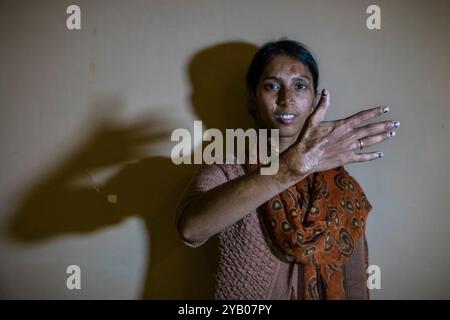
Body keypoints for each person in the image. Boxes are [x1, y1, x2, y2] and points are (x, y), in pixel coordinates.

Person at [175, 39, 399, 300]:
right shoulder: (228, 168)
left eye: (300, 86)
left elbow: (356, 284)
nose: (286, 99)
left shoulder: (343, 188)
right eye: (272, 86)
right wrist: (291, 168)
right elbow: (190, 228)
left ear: (315, 101)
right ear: (252, 100)